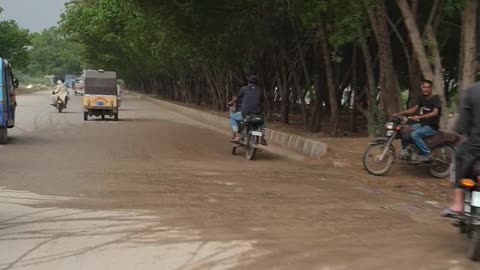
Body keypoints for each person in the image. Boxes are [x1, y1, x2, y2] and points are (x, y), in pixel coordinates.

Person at [442, 81, 480, 218]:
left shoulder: (471, 91)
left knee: (458, 160)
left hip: (474, 148)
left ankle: (458, 205)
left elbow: (461, 126)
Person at [393, 80, 442, 161]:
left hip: (432, 127)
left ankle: (428, 154)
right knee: (404, 130)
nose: (426, 89)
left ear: (431, 89)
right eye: (424, 87)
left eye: (428, 87)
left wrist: (420, 117)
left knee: (415, 135)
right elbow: (414, 109)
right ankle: (406, 151)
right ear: (421, 88)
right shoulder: (421, 98)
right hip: (422, 125)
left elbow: (435, 113)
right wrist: (400, 113)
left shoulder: (435, 99)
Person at [227, 75, 266, 145]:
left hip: (246, 113)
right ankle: (262, 138)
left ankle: (236, 136)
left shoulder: (244, 89)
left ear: (248, 82)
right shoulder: (260, 90)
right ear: (256, 83)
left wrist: (230, 103)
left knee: (233, 117)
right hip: (258, 114)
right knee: (263, 122)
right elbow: (262, 101)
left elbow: (236, 98)